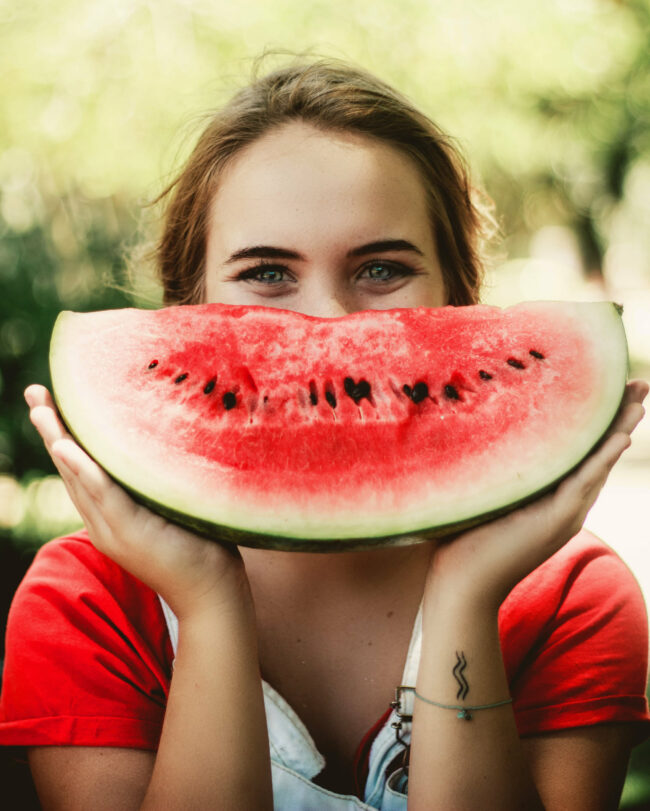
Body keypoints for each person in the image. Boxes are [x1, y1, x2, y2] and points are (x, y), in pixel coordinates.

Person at [1, 56, 649, 811]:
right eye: (268, 273)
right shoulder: (89, 600)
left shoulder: (569, 596)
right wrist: (208, 605)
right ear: (187, 310)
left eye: (380, 268)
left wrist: (466, 594)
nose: (329, 327)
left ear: (459, 300)